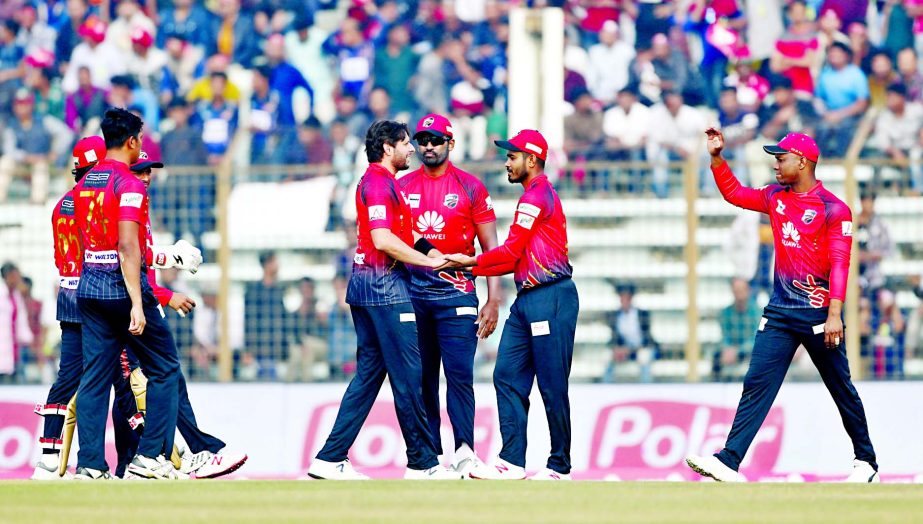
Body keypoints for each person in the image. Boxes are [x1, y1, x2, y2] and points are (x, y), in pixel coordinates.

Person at [686, 128, 879, 483]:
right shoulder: (776, 196)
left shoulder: (834, 209)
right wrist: (716, 158)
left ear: (802, 162)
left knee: (841, 389)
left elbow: (841, 263)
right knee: (756, 383)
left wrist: (835, 313)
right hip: (780, 313)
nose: (776, 165)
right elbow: (735, 194)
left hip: (820, 315)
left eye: (781, 158)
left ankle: (866, 463)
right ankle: (729, 461)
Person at [307, 120, 461, 481]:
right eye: (406, 143)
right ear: (387, 148)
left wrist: (439, 257)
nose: (412, 149)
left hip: (369, 287)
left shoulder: (388, 183)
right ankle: (423, 462)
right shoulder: (377, 182)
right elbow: (382, 239)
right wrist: (427, 263)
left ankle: (329, 458)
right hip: (384, 288)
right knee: (409, 375)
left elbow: (407, 236)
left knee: (369, 376)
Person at [445, 129, 579, 481]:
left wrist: (466, 263)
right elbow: (510, 258)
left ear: (531, 160)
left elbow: (509, 254)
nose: (507, 162)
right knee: (506, 375)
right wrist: (473, 265)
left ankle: (559, 466)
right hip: (527, 298)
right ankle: (512, 461)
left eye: (512, 156)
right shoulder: (532, 196)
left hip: (551, 296)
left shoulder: (537, 196)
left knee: (551, 384)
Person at [116, 152, 246, 479]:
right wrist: (167, 292)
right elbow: (123, 263)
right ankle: (143, 459)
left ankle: (192, 451)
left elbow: (140, 260)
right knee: (136, 387)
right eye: (140, 171)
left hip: (141, 305)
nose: (146, 177)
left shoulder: (139, 208)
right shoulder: (126, 205)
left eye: (149, 171)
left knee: (166, 379)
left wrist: (167, 260)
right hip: (128, 308)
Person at [72, 108, 181, 480]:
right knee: (165, 368)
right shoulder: (130, 184)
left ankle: (89, 465)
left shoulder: (85, 182)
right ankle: (149, 458)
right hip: (119, 287)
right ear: (132, 141)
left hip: (88, 286)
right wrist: (138, 301)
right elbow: (128, 247)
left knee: (95, 376)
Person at [398, 113, 500, 476]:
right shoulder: (403, 185)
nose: (428, 146)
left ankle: (464, 450)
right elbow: (398, 236)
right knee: (422, 377)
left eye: (436, 140)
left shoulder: (471, 187)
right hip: (412, 296)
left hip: (458, 296)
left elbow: (491, 248)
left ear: (450, 144)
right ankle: (430, 456)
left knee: (459, 376)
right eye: (422, 140)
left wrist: (493, 298)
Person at [30, 136, 106, 479]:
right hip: (97, 293)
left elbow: (61, 257)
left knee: (68, 376)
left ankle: (47, 454)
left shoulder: (61, 204)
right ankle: (148, 453)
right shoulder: (97, 201)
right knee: (115, 372)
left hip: (68, 292)